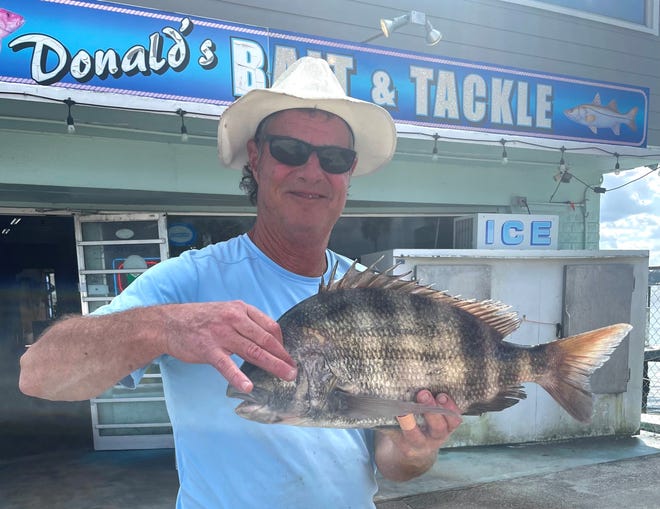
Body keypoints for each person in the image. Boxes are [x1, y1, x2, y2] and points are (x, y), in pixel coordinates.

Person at [19, 57, 462, 508]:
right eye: (290, 150)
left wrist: (415, 448)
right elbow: (38, 376)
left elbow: (391, 464)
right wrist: (165, 327)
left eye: (334, 158)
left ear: (348, 174)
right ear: (256, 157)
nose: (312, 171)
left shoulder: (367, 292)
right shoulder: (188, 281)